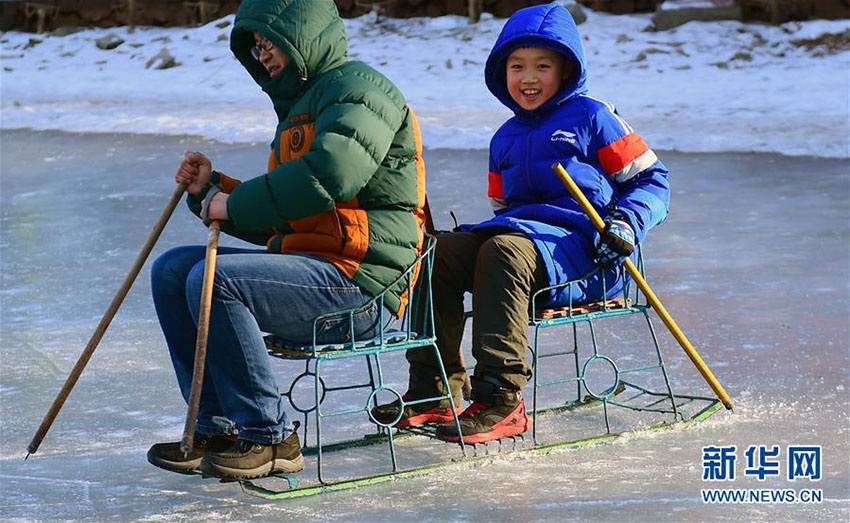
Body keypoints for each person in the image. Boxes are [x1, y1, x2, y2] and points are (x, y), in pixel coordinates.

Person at [146, 0, 427, 480]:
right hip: (317, 270)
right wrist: (213, 193)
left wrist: (232, 205)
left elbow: (330, 174)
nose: (263, 55)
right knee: (173, 270)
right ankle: (220, 428)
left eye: (269, 41)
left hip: (365, 284)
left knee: (218, 282)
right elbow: (288, 214)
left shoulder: (361, 89)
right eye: (255, 48)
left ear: (303, 32)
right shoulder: (302, 108)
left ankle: (269, 436)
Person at [373, 3, 670, 444]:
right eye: (517, 66)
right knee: (437, 253)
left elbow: (653, 181)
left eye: (542, 66)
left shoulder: (593, 117)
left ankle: (500, 399)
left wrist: (626, 226)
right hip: (526, 247)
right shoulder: (505, 137)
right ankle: (434, 389)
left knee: (504, 250)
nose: (528, 78)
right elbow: (501, 208)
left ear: (566, 70)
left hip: (590, 251)